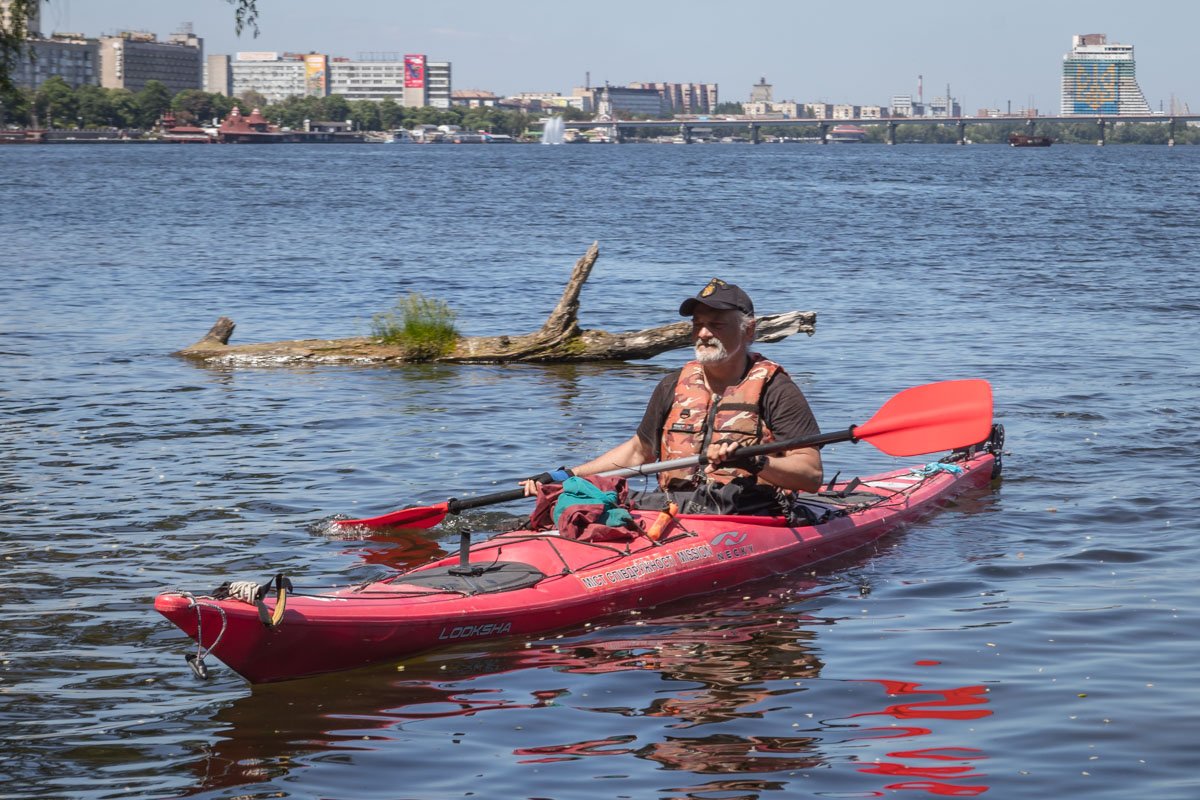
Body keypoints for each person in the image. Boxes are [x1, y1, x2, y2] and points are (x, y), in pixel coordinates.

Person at [525, 278, 823, 513]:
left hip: (750, 513)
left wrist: (756, 462)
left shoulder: (776, 389)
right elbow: (638, 453)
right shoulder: (672, 384)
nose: (704, 333)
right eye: (698, 325)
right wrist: (568, 476)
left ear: (749, 332)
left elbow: (810, 475)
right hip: (673, 509)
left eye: (717, 325)